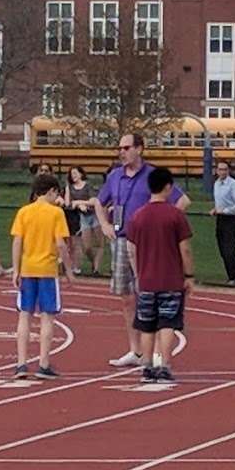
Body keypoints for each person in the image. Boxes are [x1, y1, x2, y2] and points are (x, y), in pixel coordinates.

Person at [95, 131, 190, 369]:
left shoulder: (152, 175)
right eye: (120, 148)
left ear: (139, 149)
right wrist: (105, 224)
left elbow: (182, 201)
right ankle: (135, 350)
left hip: (147, 245)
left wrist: (163, 224)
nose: (122, 152)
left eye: (126, 148)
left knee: (151, 295)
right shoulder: (115, 176)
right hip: (121, 240)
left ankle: (157, 351)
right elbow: (99, 201)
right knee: (127, 298)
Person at [125, 167, 194, 383]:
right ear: (168, 187)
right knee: (167, 323)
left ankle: (146, 365)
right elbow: (185, 248)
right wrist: (189, 275)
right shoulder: (175, 215)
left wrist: (138, 274)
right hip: (171, 279)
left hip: (147, 280)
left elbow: (131, 249)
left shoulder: (138, 216)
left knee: (147, 324)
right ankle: (164, 364)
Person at [10, 171, 72, 379]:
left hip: (28, 269)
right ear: (52, 191)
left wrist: (16, 268)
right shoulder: (56, 213)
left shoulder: (24, 213)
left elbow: (17, 241)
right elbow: (61, 244)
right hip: (47, 270)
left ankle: (21, 363)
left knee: (24, 315)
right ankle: (43, 363)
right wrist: (69, 270)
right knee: (47, 317)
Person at [210, 159, 235, 285]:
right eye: (220, 169)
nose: (222, 172)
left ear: (228, 170)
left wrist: (226, 210)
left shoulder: (233, 185)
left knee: (229, 251)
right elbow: (220, 202)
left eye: (225, 169)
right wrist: (216, 210)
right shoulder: (216, 184)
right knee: (222, 250)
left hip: (231, 219)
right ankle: (232, 277)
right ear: (216, 171)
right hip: (220, 219)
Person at [65, 167, 101, 276]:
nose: (73, 176)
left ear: (81, 174)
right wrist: (76, 204)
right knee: (87, 246)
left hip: (94, 214)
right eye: (71, 174)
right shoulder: (70, 188)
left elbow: (93, 200)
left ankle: (96, 269)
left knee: (99, 243)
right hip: (83, 217)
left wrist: (80, 202)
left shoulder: (88, 185)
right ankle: (93, 261)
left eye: (75, 173)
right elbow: (68, 204)